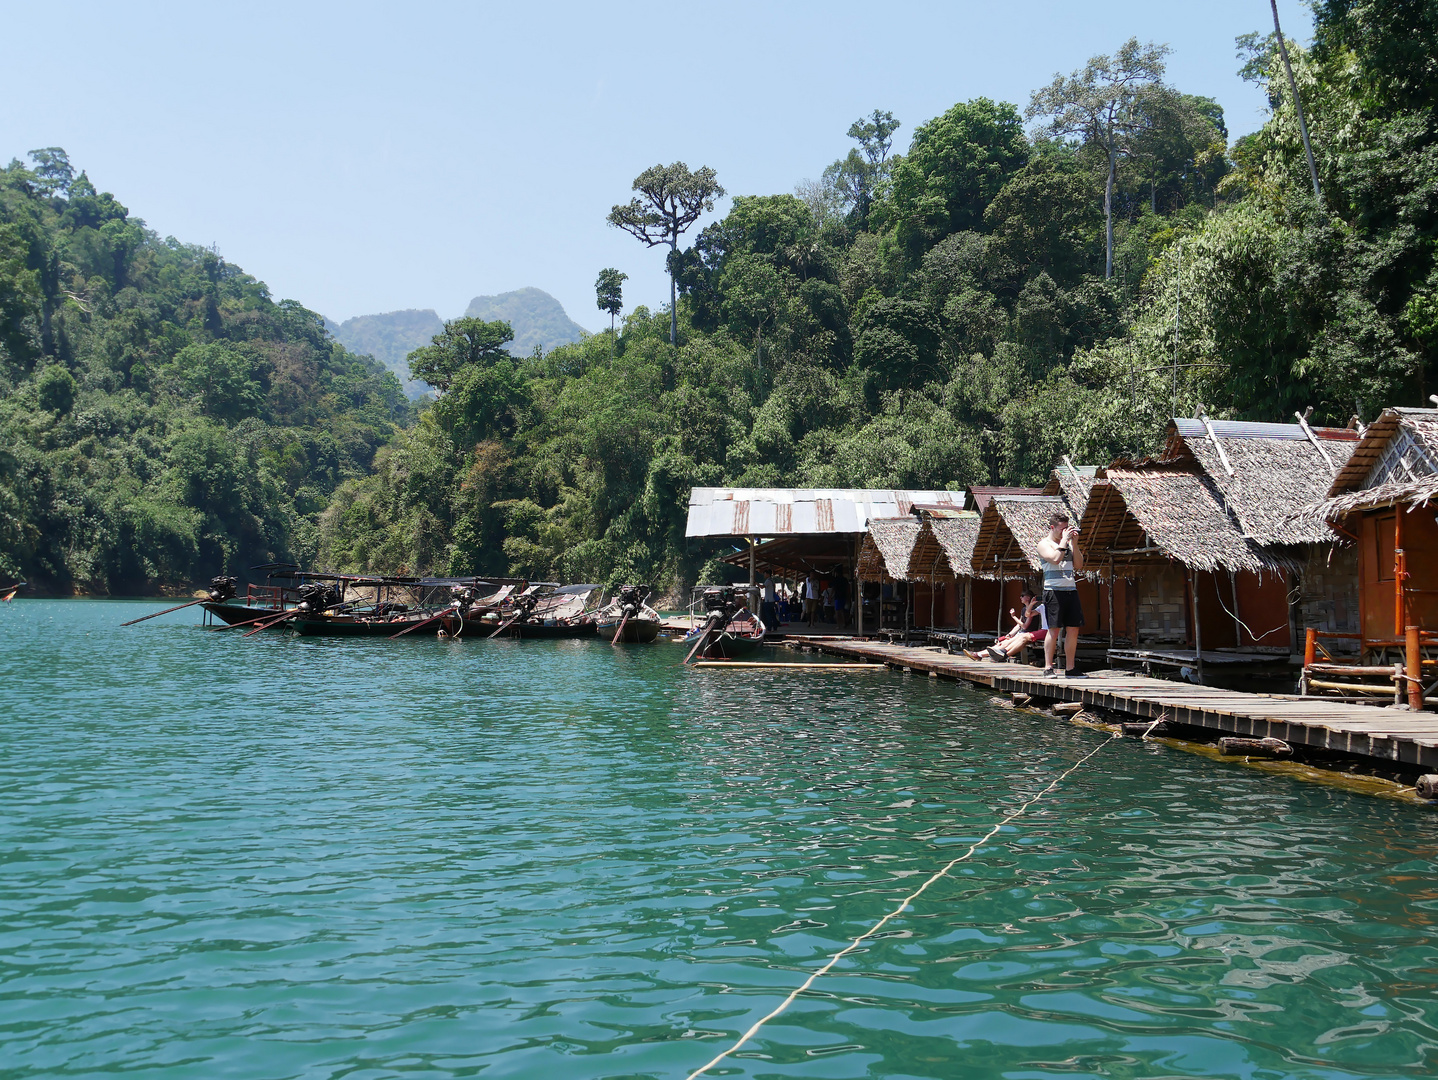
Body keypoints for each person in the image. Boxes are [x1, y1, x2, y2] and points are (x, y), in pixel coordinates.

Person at [1037, 510, 1086, 678]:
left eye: (1067, 528)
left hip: (1070, 590)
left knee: (1073, 629)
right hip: (1053, 591)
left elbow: (1079, 565)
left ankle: (1070, 668)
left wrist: (1075, 544)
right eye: (1062, 528)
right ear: (1052, 527)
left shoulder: (1069, 545)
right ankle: (1048, 667)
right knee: (1054, 630)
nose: (1065, 531)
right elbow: (1056, 558)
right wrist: (1064, 541)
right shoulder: (1044, 544)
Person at [966, 586, 1045, 662]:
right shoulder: (1024, 609)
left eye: (1022, 596)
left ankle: (979, 655)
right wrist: (1010, 634)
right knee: (1002, 643)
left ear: (1028, 598)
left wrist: (1013, 617)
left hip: (1027, 633)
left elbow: (1025, 626)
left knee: (1004, 644)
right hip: (1021, 633)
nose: (1020, 597)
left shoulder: (1033, 609)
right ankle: (978, 654)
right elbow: (1018, 625)